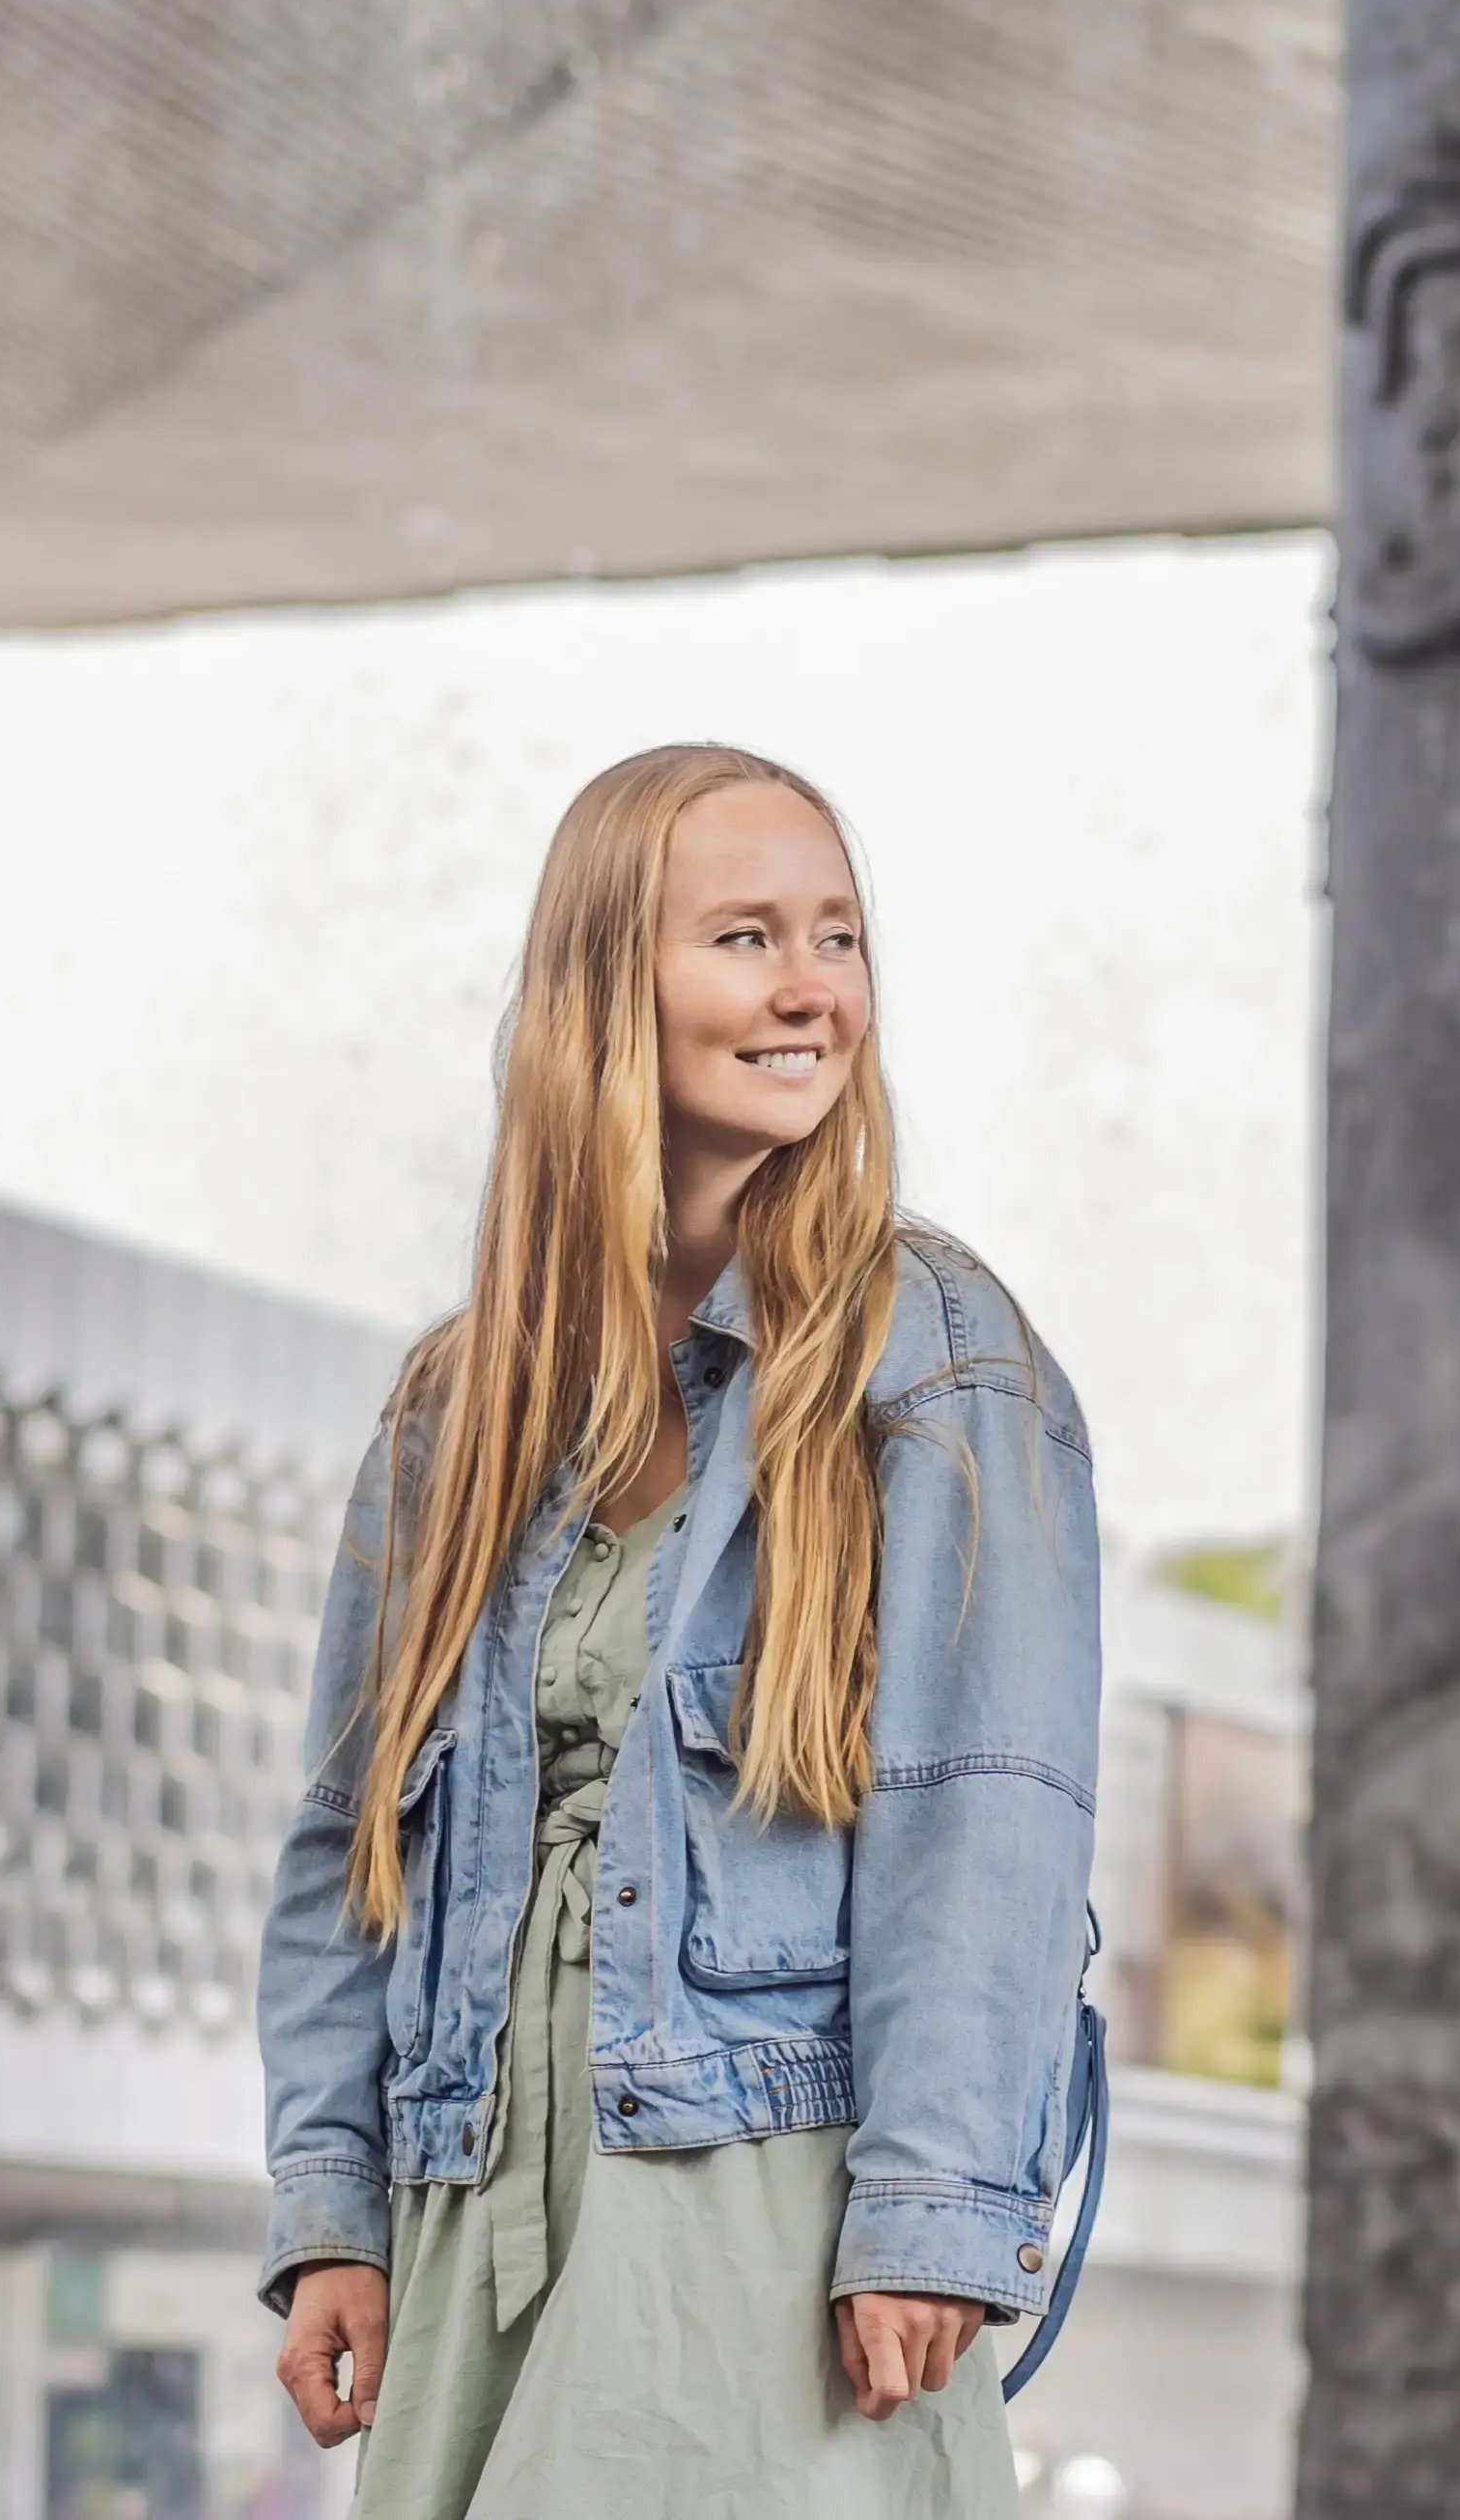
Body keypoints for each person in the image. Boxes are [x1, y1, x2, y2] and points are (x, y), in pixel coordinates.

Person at [259, 743, 1106, 2520]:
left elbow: (988, 1814)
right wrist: (331, 2201)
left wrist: (934, 2209)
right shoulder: (458, 1409)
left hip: (764, 2201)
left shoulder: (938, 1362)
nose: (811, 989)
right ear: (604, 988)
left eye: (840, 937)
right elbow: (348, 1847)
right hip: (471, 2192)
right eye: (744, 938)